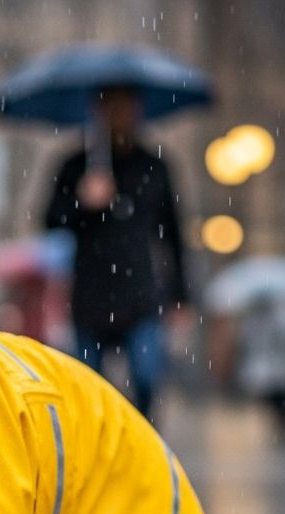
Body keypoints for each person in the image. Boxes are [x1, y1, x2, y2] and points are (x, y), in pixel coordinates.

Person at [44, 86, 189, 422]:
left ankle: (141, 447)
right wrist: (84, 202)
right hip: (90, 296)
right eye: (111, 107)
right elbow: (50, 220)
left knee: (148, 379)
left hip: (141, 294)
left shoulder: (154, 166)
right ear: (98, 111)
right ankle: (98, 456)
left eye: (126, 107)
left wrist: (180, 293)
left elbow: (174, 233)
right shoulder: (75, 165)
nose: (119, 116)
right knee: (85, 389)